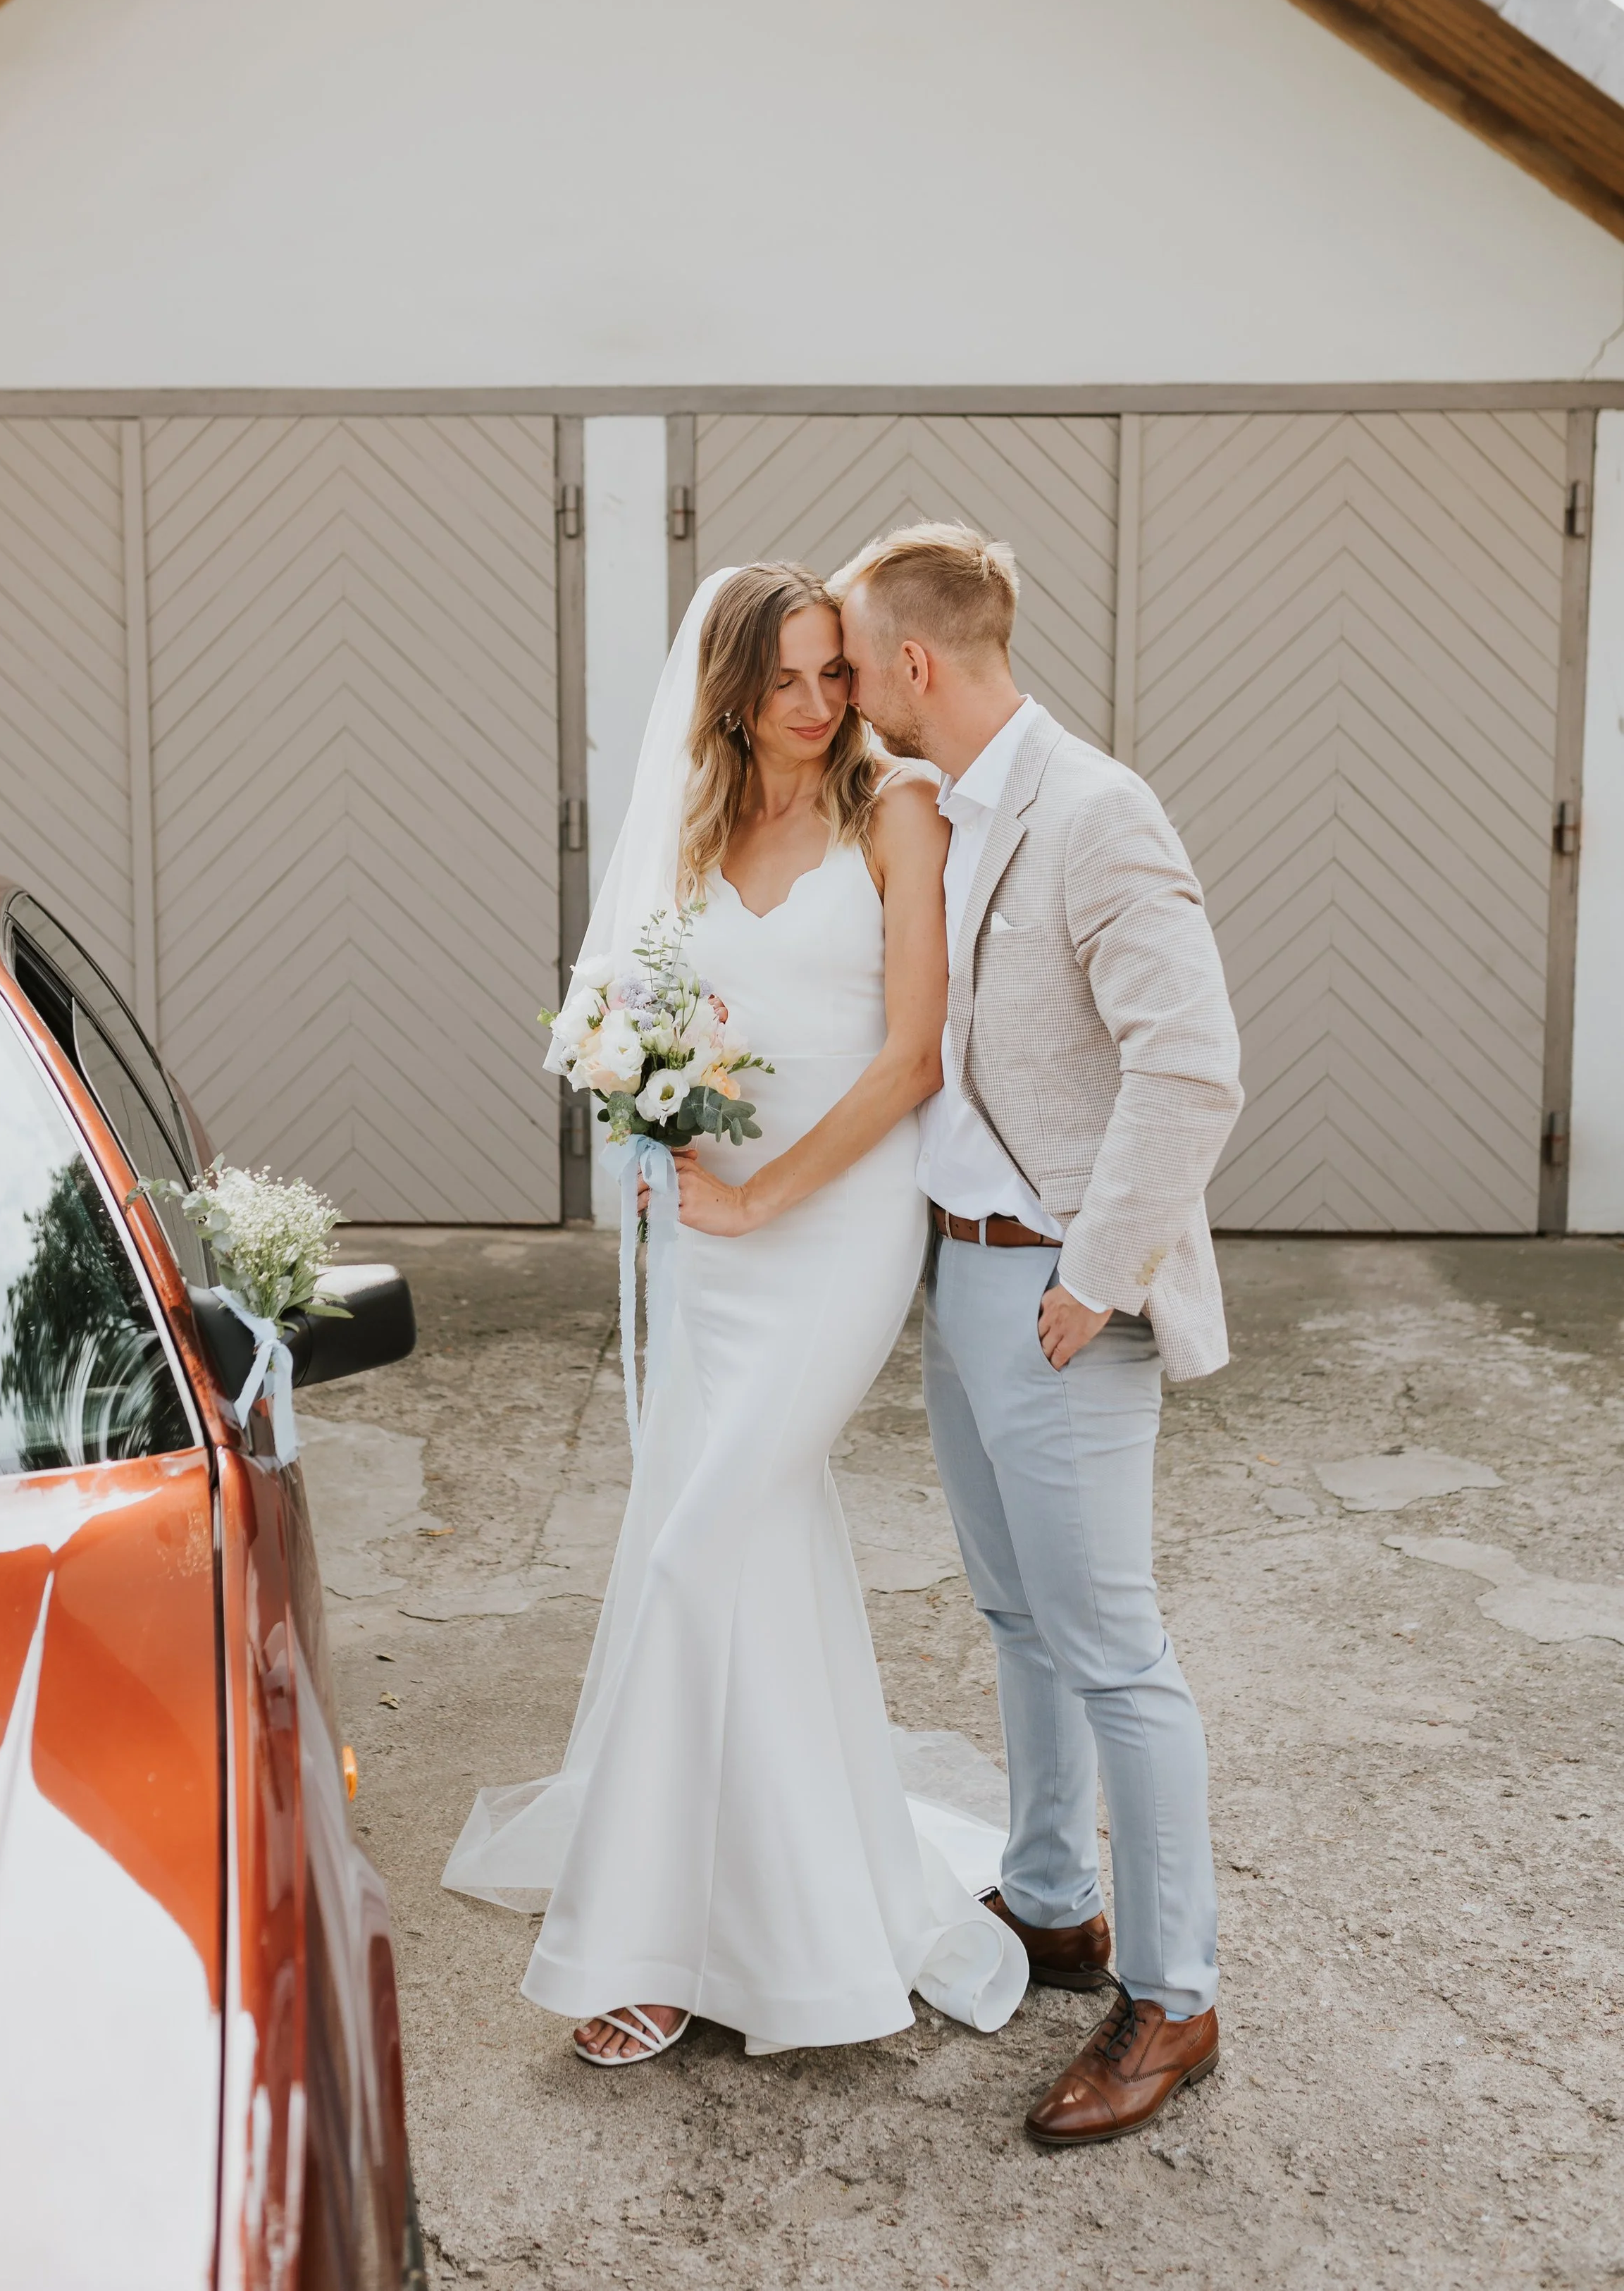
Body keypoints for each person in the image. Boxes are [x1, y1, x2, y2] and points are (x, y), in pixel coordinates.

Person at [443, 562, 1029, 2063]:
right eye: (786, 681)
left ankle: (640, 1946)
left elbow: (907, 1060)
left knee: (697, 1553)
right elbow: (622, 1018)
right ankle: (779, 1893)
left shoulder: (891, 811)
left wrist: (765, 1199)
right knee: (731, 1546)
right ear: (727, 692)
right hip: (708, 1239)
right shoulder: (698, 828)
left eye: (835, 673)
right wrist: (653, 1132)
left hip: (830, 1234)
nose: (820, 704)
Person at [832, 520, 1244, 2147]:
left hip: (1062, 1297)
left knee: (1116, 1658)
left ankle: (1173, 1996)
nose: (845, 686)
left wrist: (1097, 1272)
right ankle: (1052, 1903)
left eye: (854, 661)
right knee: (1014, 1619)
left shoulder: (1095, 812)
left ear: (911, 665)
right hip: (965, 1279)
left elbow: (1190, 1064)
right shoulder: (952, 806)